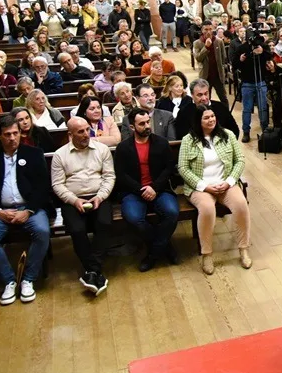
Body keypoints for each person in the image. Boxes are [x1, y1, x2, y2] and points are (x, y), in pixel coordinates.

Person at [0, 116, 51, 306]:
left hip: (29, 208)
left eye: (15, 133)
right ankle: (9, 280)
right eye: (7, 134)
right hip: (0, 211)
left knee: (42, 231)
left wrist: (29, 210)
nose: (12, 138)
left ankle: (28, 279)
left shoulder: (34, 154)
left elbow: (43, 187)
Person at [178, 104, 252, 274]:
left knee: (241, 204)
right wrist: (205, 186)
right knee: (207, 209)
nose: (211, 120)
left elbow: (240, 160)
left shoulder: (227, 135)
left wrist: (229, 181)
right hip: (201, 187)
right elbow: (183, 168)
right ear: (198, 121)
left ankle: (243, 249)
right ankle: (207, 254)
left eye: (212, 116)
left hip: (225, 183)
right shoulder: (188, 140)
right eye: (206, 118)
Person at [52, 117, 116, 296]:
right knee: (77, 229)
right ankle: (95, 270)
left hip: (99, 196)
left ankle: (91, 271)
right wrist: (74, 200)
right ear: (70, 134)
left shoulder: (102, 149)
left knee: (104, 223)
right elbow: (57, 184)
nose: (86, 134)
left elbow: (109, 177)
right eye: (80, 132)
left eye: (87, 130)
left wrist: (100, 196)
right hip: (73, 200)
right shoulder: (60, 155)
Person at [116, 109, 180, 272]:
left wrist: (154, 187)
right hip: (134, 192)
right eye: (142, 124)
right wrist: (141, 190)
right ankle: (164, 246)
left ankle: (153, 254)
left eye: (148, 122)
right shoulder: (123, 147)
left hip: (159, 189)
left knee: (172, 212)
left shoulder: (161, 143)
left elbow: (168, 168)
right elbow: (121, 175)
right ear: (132, 127)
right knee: (134, 218)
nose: (147, 126)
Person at [234, 32, 274, 143]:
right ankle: (246, 132)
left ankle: (265, 129)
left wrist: (262, 52)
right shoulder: (242, 48)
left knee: (263, 107)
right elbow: (235, 64)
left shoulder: (263, 46)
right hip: (247, 82)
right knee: (247, 109)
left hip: (261, 81)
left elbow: (270, 57)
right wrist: (241, 59)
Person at [175, 79, 240, 139]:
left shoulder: (221, 107)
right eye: (200, 95)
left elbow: (235, 130)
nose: (204, 98)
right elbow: (181, 136)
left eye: (206, 94)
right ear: (192, 95)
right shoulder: (184, 112)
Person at [194, 23, 229, 106]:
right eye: (206, 29)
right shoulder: (197, 43)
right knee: (205, 99)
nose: (208, 32)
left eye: (210, 29)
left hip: (218, 75)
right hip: (205, 76)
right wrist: (206, 47)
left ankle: (226, 113)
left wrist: (223, 70)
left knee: (223, 98)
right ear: (202, 30)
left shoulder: (219, 41)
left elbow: (223, 57)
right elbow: (198, 58)